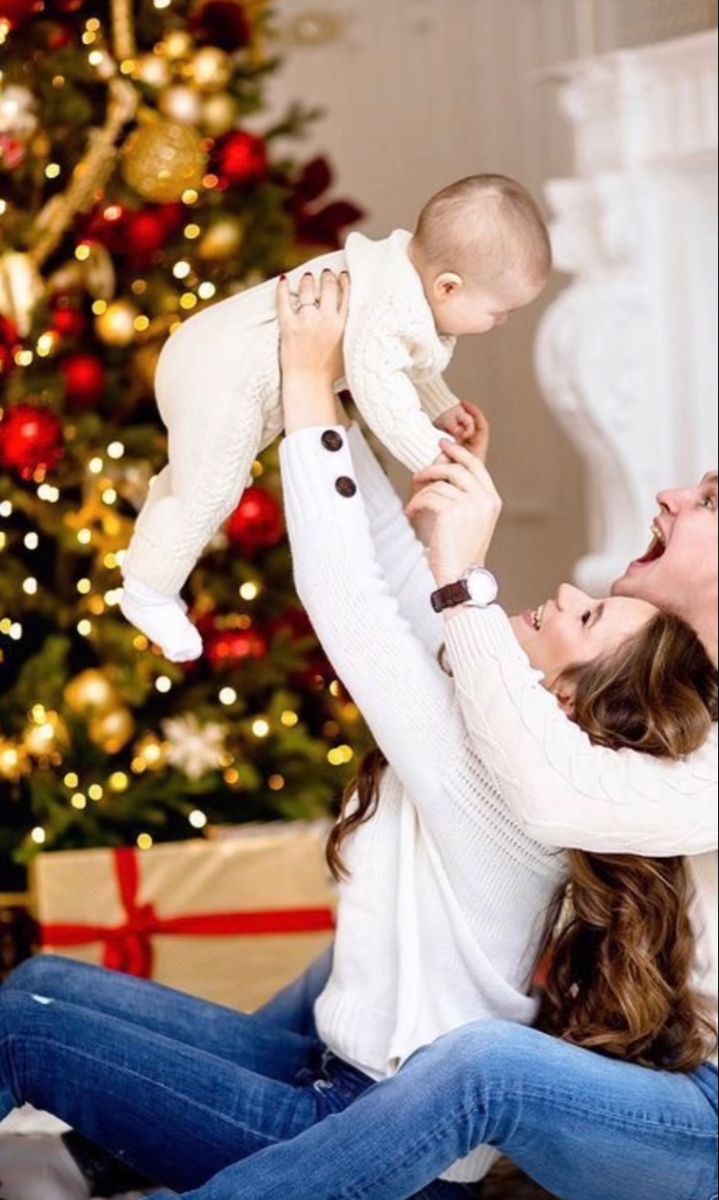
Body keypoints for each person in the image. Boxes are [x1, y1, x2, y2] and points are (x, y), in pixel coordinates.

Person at [1, 273, 715, 1200]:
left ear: (566, 703)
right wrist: (391, 429)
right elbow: (394, 580)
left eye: (580, 619)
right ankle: (103, 1164)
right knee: (44, 989)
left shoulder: (517, 773)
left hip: (391, 1112)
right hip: (347, 1080)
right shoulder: (512, 722)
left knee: (24, 1031)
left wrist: (309, 390)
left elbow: (361, 608)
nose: (559, 596)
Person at [120, 174, 550, 663]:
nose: (503, 322)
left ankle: (151, 556)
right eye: (499, 312)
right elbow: (378, 386)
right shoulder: (392, 305)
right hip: (220, 375)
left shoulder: (402, 282)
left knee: (189, 484)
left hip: (208, 360)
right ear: (448, 287)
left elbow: (402, 360)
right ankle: (147, 590)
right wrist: (435, 460)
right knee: (211, 490)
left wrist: (440, 407)